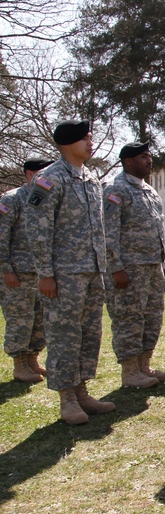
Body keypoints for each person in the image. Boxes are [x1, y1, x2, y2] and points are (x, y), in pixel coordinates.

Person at [25, 120, 115, 425]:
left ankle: (82, 391)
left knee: (89, 333)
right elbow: (38, 230)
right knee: (64, 335)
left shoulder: (90, 179)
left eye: (90, 138)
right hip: (64, 274)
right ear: (67, 144)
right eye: (85, 139)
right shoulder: (49, 179)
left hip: (92, 271)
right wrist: (45, 273)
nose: (91, 144)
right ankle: (66, 399)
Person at [103, 140, 165, 389]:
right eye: (143, 157)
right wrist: (116, 267)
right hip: (129, 269)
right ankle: (130, 371)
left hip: (152, 267)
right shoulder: (115, 189)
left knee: (152, 318)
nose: (149, 160)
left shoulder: (150, 191)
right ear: (128, 161)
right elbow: (108, 232)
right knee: (128, 318)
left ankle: (144, 365)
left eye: (149, 156)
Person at [0, 157, 53, 383]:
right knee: (20, 319)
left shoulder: (43, 199)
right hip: (18, 273)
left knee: (39, 319)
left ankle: (32, 360)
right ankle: (19, 364)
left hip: (41, 273)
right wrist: (6, 270)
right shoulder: (11, 199)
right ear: (30, 174)